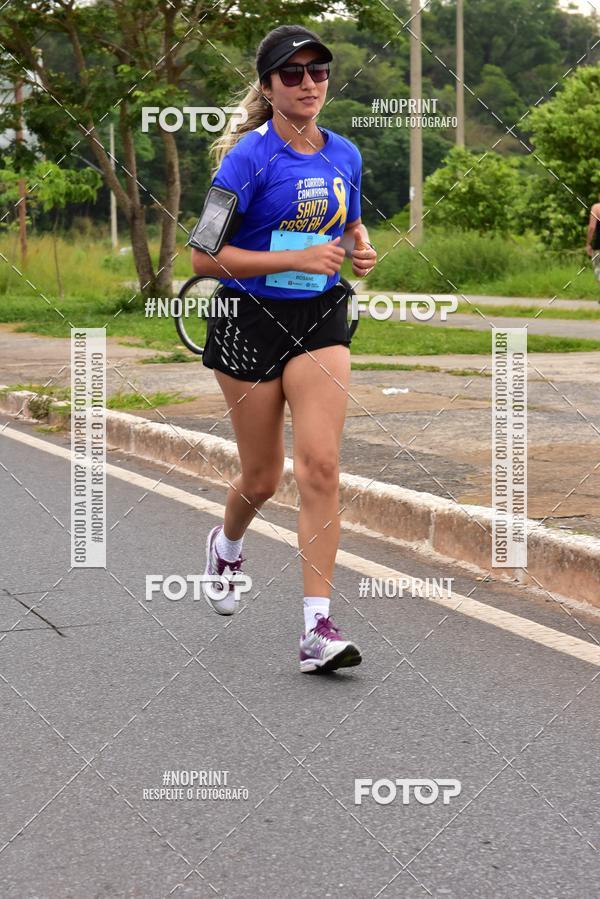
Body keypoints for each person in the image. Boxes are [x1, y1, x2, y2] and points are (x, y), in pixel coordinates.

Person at [190, 24, 377, 673]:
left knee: (321, 466)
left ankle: (316, 628)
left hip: (321, 315)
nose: (308, 85)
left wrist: (359, 245)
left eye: (318, 72)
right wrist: (292, 255)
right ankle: (226, 542)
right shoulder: (247, 158)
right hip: (250, 317)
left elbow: (349, 219)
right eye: (292, 74)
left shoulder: (345, 154)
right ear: (268, 87)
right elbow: (201, 255)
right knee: (263, 476)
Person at [585, 196, 600, 302]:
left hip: (599, 244)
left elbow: (592, 227)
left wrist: (588, 243)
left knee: (599, 269)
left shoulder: (596, 207)